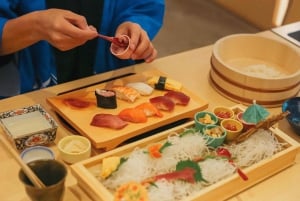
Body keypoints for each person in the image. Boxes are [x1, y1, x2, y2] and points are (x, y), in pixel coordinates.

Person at [0, 0, 165, 97]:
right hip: (25, 93)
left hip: (109, 84)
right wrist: (34, 26)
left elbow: (144, 6)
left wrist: (134, 26)